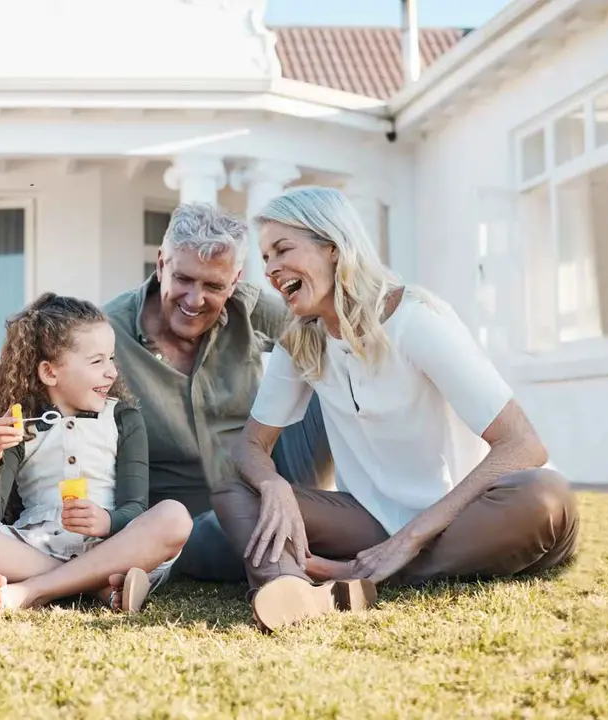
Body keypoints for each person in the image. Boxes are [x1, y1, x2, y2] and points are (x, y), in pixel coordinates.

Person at [213, 186, 579, 632]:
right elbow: (251, 443)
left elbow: (523, 445)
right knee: (236, 492)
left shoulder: (416, 320)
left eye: (282, 250)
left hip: (465, 515)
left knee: (545, 496)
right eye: (266, 256)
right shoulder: (302, 339)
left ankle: (350, 577)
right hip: (370, 521)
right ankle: (291, 588)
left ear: (333, 247)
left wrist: (409, 540)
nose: (269, 269)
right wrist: (273, 485)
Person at [103, 202, 331, 583]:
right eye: (184, 279)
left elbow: (334, 333)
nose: (195, 300)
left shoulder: (251, 309)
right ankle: (301, 554)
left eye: (213, 286)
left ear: (235, 280)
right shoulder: (107, 333)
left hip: (271, 485)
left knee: (330, 361)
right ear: (161, 265)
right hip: (183, 521)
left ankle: (330, 524)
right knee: (215, 535)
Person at [0, 293, 192, 613]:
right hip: (38, 547)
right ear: (50, 372)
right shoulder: (21, 425)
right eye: (97, 361)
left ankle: (35, 590)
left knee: (174, 517)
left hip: (114, 548)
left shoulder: (123, 417)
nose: (112, 372)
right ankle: (96, 586)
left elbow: (135, 507)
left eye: (111, 359)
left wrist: (107, 521)